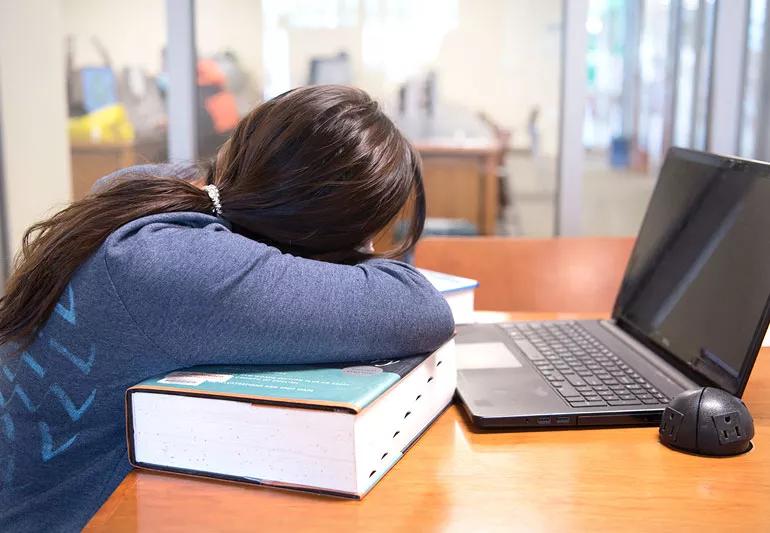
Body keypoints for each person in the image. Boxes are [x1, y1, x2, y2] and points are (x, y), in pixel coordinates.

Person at [0, 85, 454, 532]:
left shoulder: (148, 199)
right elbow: (420, 308)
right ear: (315, 237)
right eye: (368, 236)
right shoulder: (180, 265)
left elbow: (210, 178)